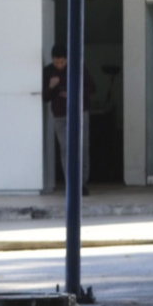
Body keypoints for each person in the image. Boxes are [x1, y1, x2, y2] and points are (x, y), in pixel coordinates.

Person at [42, 43, 95, 196]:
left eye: (62, 62)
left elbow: (92, 88)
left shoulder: (77, 68)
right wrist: (51, 87)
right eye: (56, 62)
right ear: (52, 59)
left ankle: (82, 183)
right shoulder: (48, 71)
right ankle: (71, 184)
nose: (59, 65)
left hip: (80, 112)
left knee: (82, 147)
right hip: (60, 115)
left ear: (67, 59)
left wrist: (73, 92)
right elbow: (45, 97)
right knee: (66, 149)